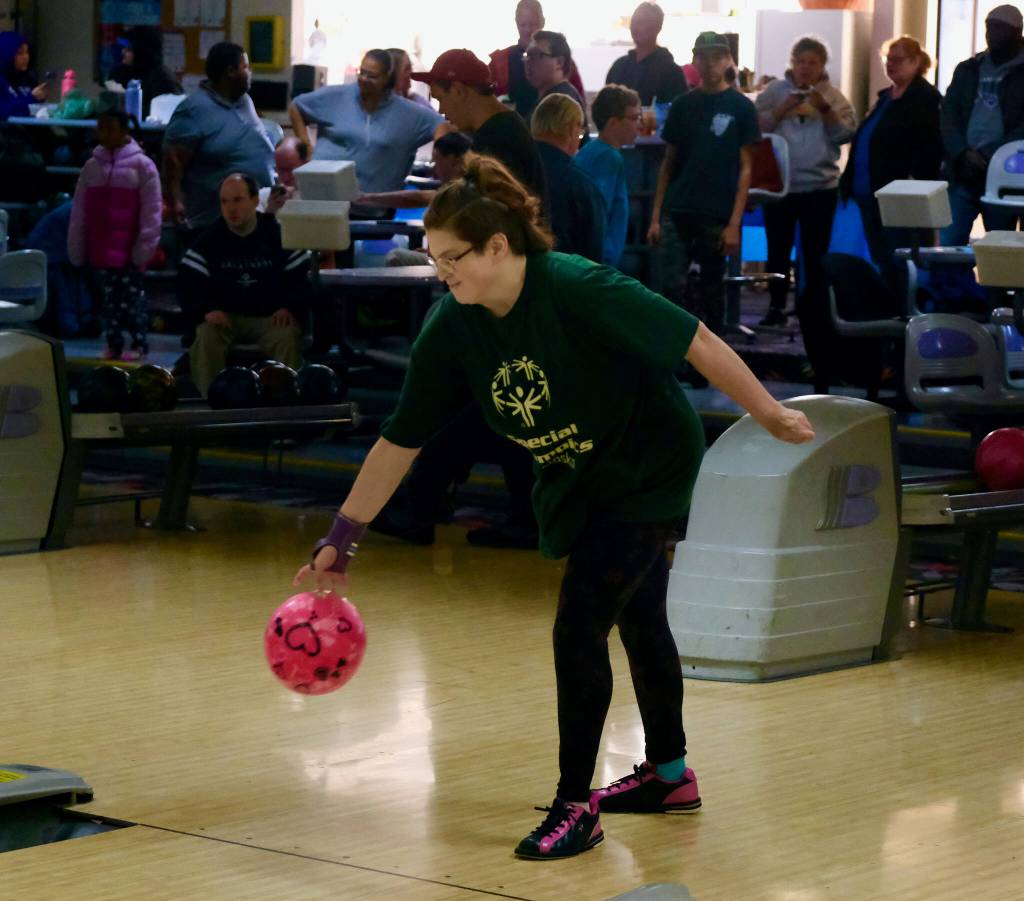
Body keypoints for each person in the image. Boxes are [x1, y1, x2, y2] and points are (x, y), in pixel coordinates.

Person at [293, 153, 815, 861]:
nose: (442, 272)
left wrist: (768, 412)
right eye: (435, 258)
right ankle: (669, 776)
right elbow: (400, 439)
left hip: (647, 465)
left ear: (499, 246)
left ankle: (577, 805)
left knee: (579, 627)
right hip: (578, 474)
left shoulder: (575, 286)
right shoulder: (454, 326)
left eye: (453, 257)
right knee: (639, 612)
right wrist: (343, 534)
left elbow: (693, 338)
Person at [650, 32, 760, 336]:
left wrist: (734, 222)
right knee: (672, 289)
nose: (710, 64)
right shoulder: (683, 106)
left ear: (727, 60)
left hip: (716, 212)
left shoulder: (741, 107)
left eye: (716, 57)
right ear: (695, 61)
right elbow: (668, 164)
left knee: (713, 289)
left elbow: (746, 169)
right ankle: (679, 358)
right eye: (704, 57)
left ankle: (712, 363)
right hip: (679, 206)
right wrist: (657, 216)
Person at [754, 36, 856, 341]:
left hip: (820, 188)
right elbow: (756, 128)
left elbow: (846, 134)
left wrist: (825, 110)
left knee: (814, 254)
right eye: (800, 62)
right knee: (777, 250)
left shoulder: (834, 97)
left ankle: (812, 307)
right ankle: (775, 306)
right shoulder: (774, 92)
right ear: (792, 63)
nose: (805, 68)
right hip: (780, 187)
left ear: (822, 66)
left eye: (812, 63)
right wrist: (781, 109)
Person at [181, 174, 310, 396]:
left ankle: (289, 403)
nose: (231, 209)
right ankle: (211, 403)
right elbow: (188, 286)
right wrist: (205, 310)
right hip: (226, 319)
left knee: (287, 334)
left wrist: (290, 307)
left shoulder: (279, 236)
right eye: (225, 202)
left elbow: (301, 280)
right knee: (205, 335)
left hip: (270, 319)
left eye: (238, 200)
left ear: (254, 201)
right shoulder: (209, 241)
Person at [840, 36, 943, 289]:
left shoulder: (924, 98)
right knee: (882, 255)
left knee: (901, 255)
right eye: (888, 59)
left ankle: (906, 310)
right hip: (870, 191)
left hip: (898, 193)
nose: (891, 65)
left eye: (898, 60)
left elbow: (929, 146)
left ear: (916, 61)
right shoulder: (886, 96)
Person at [67, 110, 162, 360]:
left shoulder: (143, 166)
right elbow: (79, 210)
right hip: (101, 248)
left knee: (132, 300)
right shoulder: (91, 167)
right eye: (101, 128)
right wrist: (78, 246)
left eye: (110, 128)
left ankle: (139, 343)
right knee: (109, 302)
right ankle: (114, 343)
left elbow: (152, 210)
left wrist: (144, 247)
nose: (104, 134)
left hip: (130, 249)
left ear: (124, 131)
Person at [289, 49, 445, 199]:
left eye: (372, 76)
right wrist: (307, 147)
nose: (363, 79)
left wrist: (439, 155)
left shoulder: (407, 112)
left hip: (374, 209)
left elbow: (442, 126)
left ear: (387, 77)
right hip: (322, 199)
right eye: (361, 73)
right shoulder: (336, 97)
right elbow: (295, 106)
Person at [162, 42, 275, 236]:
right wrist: (176, 202)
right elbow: (173, 162)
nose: (250, 72)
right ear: (230, 71)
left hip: (257, 217)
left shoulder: (244, 100)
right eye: (245, 67)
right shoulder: (193, 109)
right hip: (214, 223)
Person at [412, 48, 547, 205]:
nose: (441, 111)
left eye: (441, 99)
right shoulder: (503, 127)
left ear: (458, 90)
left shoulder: (497, 141)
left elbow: (490, 215)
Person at [941, 4, 1024, 244]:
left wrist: (988, 154)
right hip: (963, 170)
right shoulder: (969, 68)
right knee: (949, 243)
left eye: (1000, 29)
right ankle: (953, 284)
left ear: (1017, 32)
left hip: (1006, 172)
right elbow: (949, 114)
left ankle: (993, 284)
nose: (992, 35)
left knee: (1000, 246)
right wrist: (961, 152)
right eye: (989, 28)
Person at [531, 93, 604, 261]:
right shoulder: (580, 184)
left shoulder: (509, 169)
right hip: (564, 276)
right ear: (571, 129)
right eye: (580, 132)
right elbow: (592, 255)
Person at [574, 84, 641, 267]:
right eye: (634, 118)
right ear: (613, 122)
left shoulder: (589, 151)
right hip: (600, 260)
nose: (639, 124)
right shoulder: (609, 158)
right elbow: (600, 212)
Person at [489, 0, 585, 121]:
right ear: (516, 23)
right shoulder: (500, 61)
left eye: (533, 24)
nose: (528, 30)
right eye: (523, 25)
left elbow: (577, 108)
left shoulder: (559, 60)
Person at [604, 3, 687, 106]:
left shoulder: (671, 72)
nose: (634, 27)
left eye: (641, 22)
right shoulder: (619, 67)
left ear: (657, 27)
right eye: (633, 21)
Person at [523, 30, 590, 139]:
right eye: (527, 56)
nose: (528, 61)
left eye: (536, 55)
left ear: (559, 62)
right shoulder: (550, 96)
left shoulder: (560, 102)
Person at [108, 26, 182, 120]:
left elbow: (165, 112)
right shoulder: (122, 73)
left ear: (141, 51)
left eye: (129, 49)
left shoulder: (163, 79)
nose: (123, 52)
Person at [0, 31, 47, 121]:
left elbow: (35, 107)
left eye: (27, 52)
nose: (26, 57)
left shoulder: (28, 78)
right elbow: (3, 110)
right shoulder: (2, 80)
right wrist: (32, 98)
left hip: (33, 127)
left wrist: (40, 97)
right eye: (20, 53)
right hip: (11, 131)